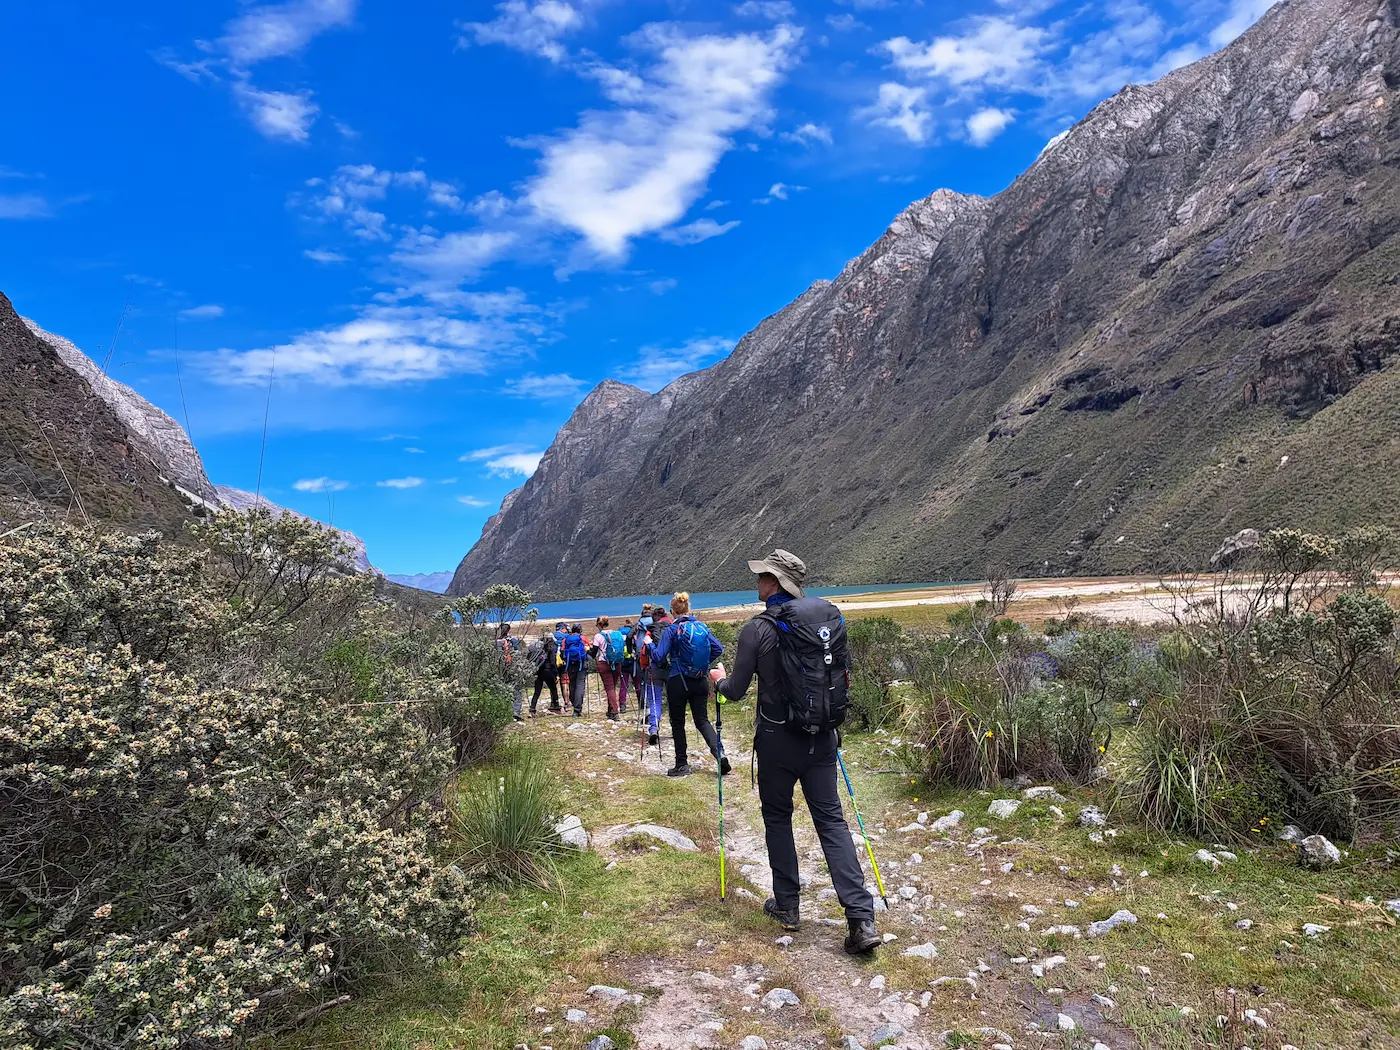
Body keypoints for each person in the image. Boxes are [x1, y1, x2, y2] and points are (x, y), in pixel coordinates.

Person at [713, 549, 882, 956]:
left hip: (776, 741)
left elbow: (735, 691)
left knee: (777, 818)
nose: (757, 584)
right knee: (831, 822)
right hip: (822, 738)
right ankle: (861, 920)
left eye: (761, 578)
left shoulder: (757, 629)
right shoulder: (827, 620)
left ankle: (787, 906)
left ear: (775, 582)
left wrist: (717, 679)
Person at [656, 592, 728, 778]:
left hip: (677, 681)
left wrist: (649, 645)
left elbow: (658, 657)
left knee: (678, 723)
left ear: (673, 611)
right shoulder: (701, 626)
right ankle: (720, 753)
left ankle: (681, 765)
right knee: (702, 720)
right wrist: (704, 664)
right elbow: (718, 648)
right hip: (700, 680)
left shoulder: (673, 630)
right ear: (688, 608)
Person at [636, 604, 670, 746]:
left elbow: (644, 653)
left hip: (654, 670)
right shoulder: (673, 629)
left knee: (654, 700)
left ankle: (654, 728)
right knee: (673, 700)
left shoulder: (650, 632)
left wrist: (644, 666)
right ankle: (676, 727)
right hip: (672, 670)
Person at [495, 623, 526, 722]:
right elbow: (518, 653)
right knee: (517, 689)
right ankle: (515, 712)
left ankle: (502, 711)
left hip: (499, 669)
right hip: (512, 668)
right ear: (509, 630)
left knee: (502, 688)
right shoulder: (512, 640)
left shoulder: (496, 642)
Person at [527, 627, 561, 714]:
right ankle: (555, 706)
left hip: (538, 670)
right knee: (553, 688)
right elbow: (553, 662)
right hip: (548, 670)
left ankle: (532, 708)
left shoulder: (537, 646)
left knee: (537, 691)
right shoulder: (551, 647)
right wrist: (556, 674)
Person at [562, 621, 590, 716]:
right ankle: (577, 710)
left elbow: (563, 651)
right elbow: (588, 649)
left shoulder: (566, 639)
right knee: (580, 686)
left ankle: (574, 704)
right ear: (580, 630)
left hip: (570, 664)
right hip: (581, 664)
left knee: (572, 685)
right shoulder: (583, 638)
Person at [613, 617, 638, 714]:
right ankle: (641, 702)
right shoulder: (633, 632)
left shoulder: (618, 633)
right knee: (637, 682)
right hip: (633, 661)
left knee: (623, 685)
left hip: (622, 661)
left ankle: (622, 705)